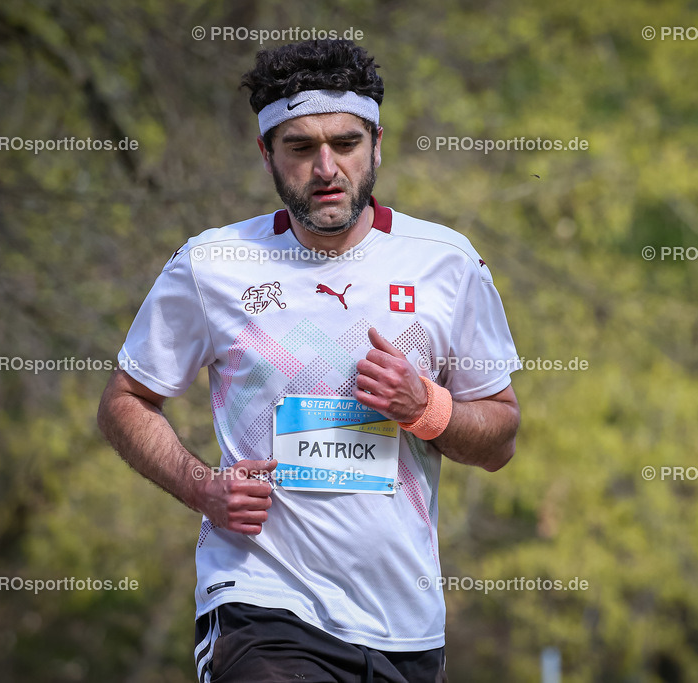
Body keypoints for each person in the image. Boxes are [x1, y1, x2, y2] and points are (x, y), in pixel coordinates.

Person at [97, 39, 520, 683]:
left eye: (345, 143)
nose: (327, 168)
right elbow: (125, 401)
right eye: (300, 147)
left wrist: (426, 408)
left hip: (404, 624)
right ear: (266, 153)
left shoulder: (447, 263)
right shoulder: (212, 264)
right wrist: (200, 486)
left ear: (377, 143)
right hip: (260, 606)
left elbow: (499, 437)